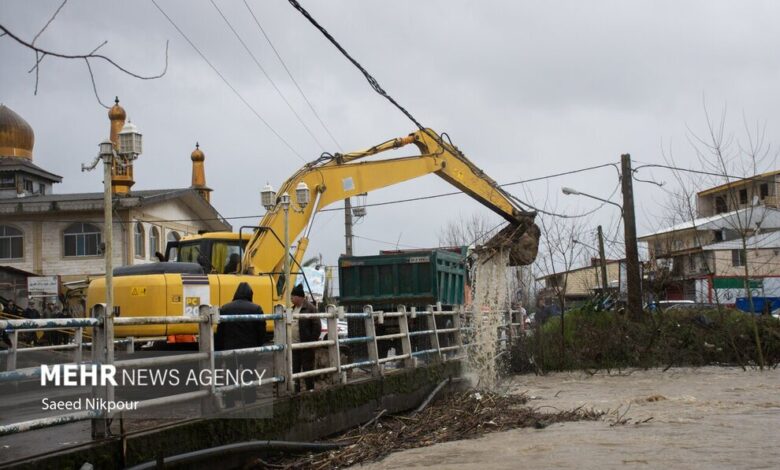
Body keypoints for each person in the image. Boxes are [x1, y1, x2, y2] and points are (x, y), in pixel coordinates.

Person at [214, 282, 267, 407]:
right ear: (250, 294)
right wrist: (259, 347)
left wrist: (219, 349)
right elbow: (261, 331)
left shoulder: (225, 308)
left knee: (231, 374)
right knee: (249, 374)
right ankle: (250, 399)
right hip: (249, 348)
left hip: (230, 348)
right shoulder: (256, 308)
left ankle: (229, 400)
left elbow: (220, 332)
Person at [291, 283, 319, 392]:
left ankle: (310, 390)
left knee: (308, 369)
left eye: (293, 296)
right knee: (295, 369)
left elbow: (317, 326)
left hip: (306, 345)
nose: (291, 299)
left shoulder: (310, 308)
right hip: (294, 346)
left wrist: (311, 342)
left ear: (299, 297)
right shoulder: (292, 309)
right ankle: (296, 391)